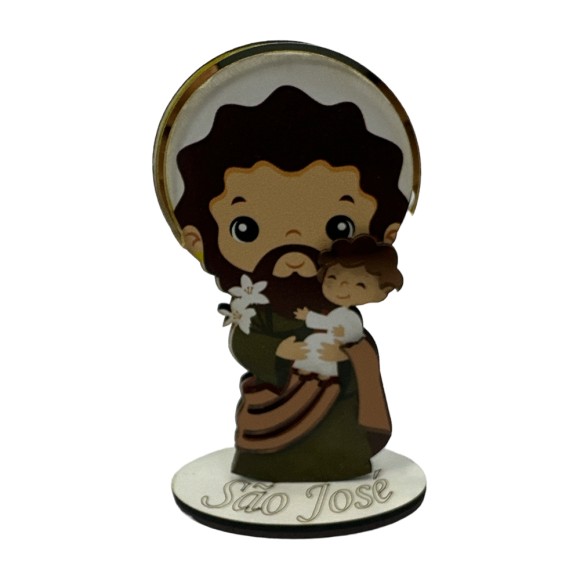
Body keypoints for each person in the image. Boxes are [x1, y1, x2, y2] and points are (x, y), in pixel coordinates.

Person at [174, 86, 409, 481]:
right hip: (271, 406)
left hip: (338, 402)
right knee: (268, 452)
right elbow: (245, 339)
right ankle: (269, 468)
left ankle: (344, 462)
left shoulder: (339, 301)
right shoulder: (256, 304)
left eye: (339, 226)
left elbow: (359, 346)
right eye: (246, 228)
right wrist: (277, 350)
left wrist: (353, 355)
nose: (294, 243)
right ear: (198, 238)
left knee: (340, 439)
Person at [293, 236, 403, 379]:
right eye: (333, 277)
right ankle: (307, 367)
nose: (342, 286)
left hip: (339, 345)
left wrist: (343, 340)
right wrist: (308, 316)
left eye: (359, 284)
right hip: (329, 339)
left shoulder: (351, 317)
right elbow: (326, 322)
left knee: (326, 352)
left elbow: (355, 337)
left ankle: (326, 373)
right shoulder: (335, 312)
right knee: (313, 342)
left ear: (382, 291)